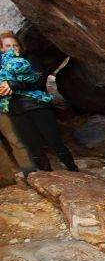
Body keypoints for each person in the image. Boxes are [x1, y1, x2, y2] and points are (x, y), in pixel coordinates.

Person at [0, 31, 78, 173]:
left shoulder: (30, 59)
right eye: (8, 45)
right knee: (33, 147)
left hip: (36, 104)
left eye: (15, 45)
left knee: (54, 141)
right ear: (2, 48)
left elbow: (39, 80)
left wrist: (13, 84)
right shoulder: (1, 67)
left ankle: (74, 170)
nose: (12, 48)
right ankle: (48, 177)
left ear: (20, 47)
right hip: (15, 110)